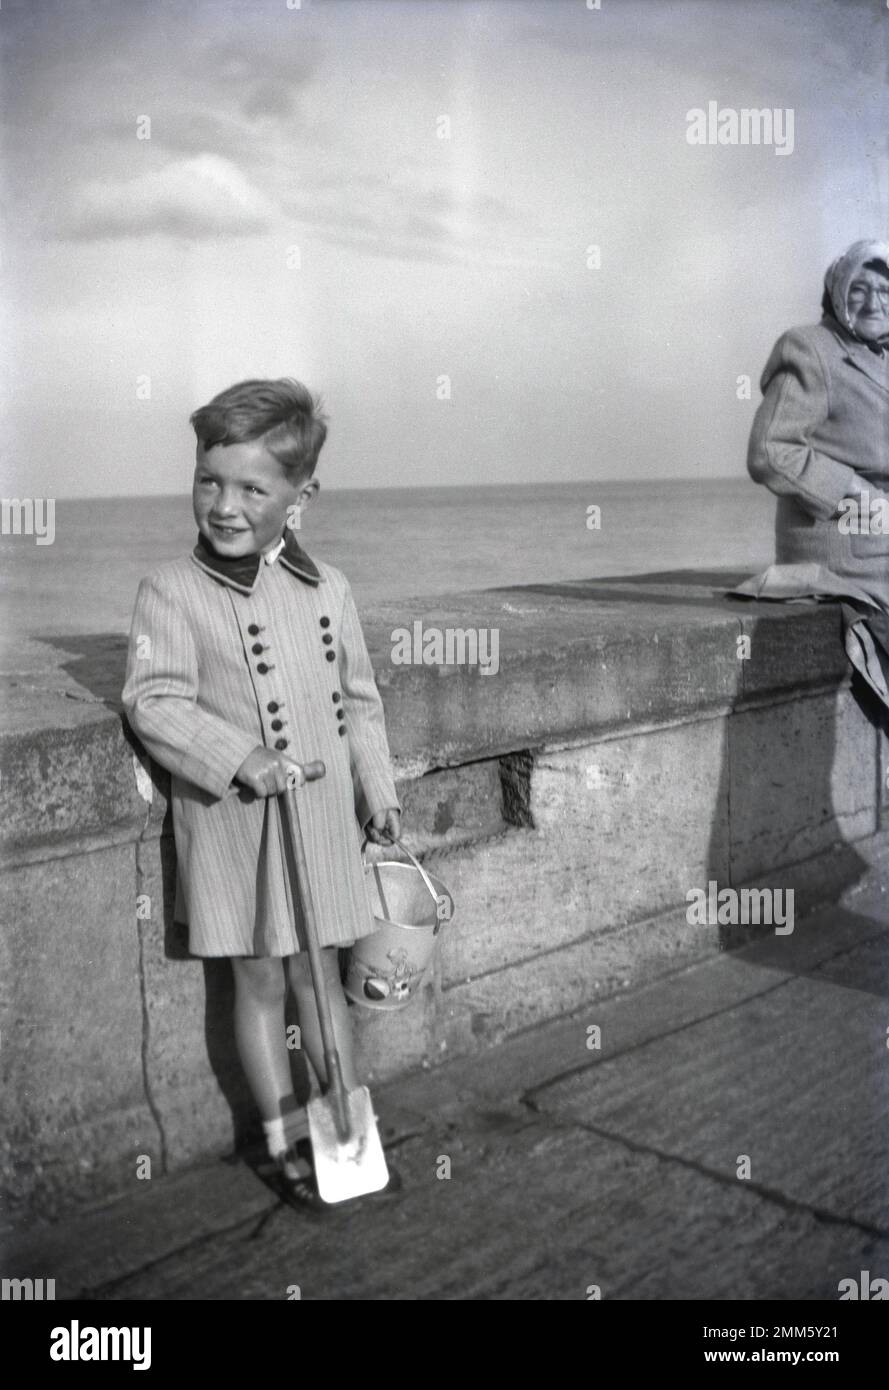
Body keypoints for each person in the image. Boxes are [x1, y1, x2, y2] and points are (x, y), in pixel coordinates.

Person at [122, 378, 402, 1208]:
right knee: (257, 981)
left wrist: (377, 792)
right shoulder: (171, 589)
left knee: (323, 977)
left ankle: (349, 1133)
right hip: (234, 821)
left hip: (316, 820)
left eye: (253, 488)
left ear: (300, 495)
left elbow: (359, 701)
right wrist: (241, 755)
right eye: (210, 480)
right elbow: (152, 698)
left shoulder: (329, 589)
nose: (226, 505)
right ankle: (281, 1138)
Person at [747, 239, 889, 610]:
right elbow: (770, 450)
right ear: (838, 292)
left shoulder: (881, 358)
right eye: (859, 289)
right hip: (848, 556)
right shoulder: (811, 348)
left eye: (885, 291)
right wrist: (855, 490)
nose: (874, 304)